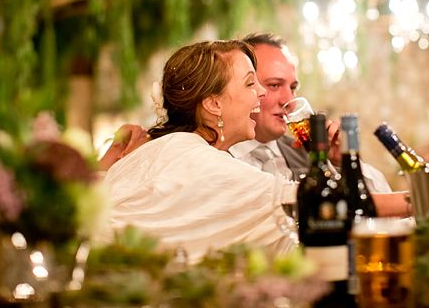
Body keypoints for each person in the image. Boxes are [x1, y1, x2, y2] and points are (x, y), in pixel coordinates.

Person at [100, 40, 295, 263]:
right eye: (250, 83)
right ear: (214, 104)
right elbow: (299, 204)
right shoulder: (200, 162)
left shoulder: (164, 150)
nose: (261, 92)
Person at [229, 33, 392, 193]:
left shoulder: (310, 154)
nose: (288, 100)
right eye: (274, 85)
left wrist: (342, 163)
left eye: (293, 88)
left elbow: (380, 201)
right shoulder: (216, 156)